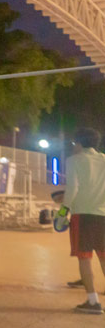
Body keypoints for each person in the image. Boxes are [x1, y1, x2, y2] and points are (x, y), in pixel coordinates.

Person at [62, 128, 105, 314]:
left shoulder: (74, 161)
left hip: (83, 215)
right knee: (104, 257)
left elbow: (72, 189)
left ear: (79, 143)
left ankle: (93, 301)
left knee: (84, 258)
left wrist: (63, 211)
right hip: (104, 215)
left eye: (74, 143)